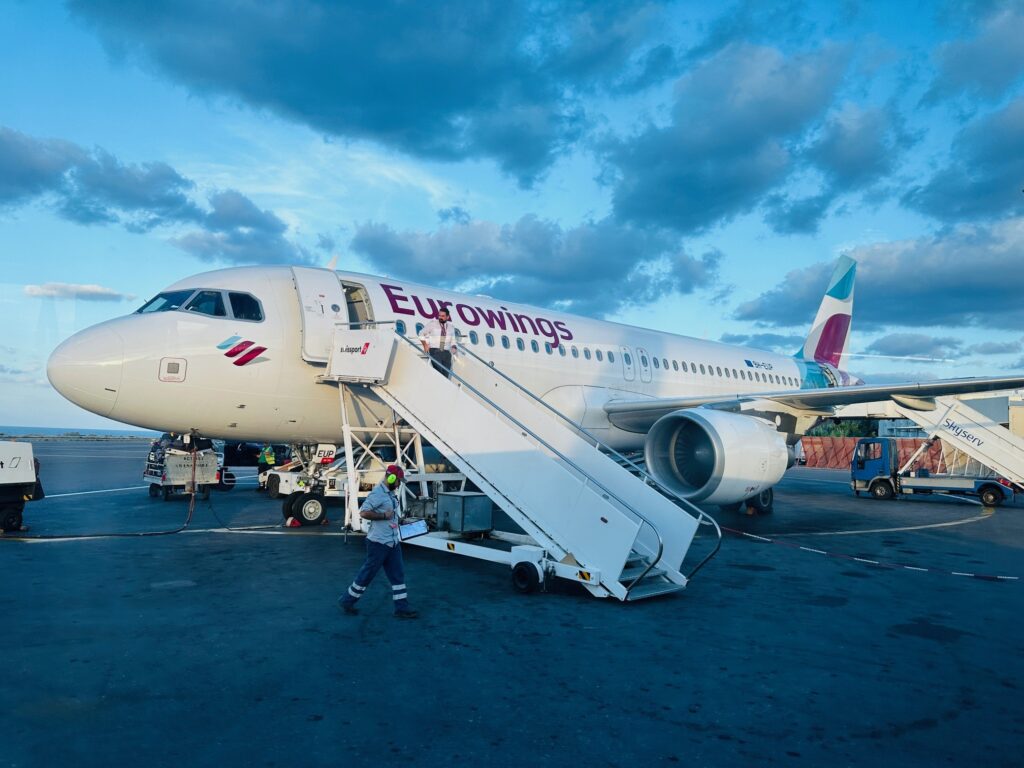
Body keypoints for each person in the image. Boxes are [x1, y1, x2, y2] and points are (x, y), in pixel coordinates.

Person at [338, 464, 418, 618]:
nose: (400, 483)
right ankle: (347, 600)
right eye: (399, 480)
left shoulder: (389, 494)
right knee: (367, 574)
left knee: (398, 575)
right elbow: (364, 512)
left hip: (392, 542)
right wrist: (382, 516)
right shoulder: (378, 494)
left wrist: (402, 521)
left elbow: (391, 514)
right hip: (378, 543)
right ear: (392, 478)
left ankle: (401, 608)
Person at [419, 307, 457, 378]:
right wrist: (425, 345)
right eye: (439, 315)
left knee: (445, 376)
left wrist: (454, 346)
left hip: (447, 354)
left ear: (447, 317)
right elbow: (421, 333)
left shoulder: (451, 327)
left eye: (443, 316)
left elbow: (453, 341)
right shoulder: (432, 324)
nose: (440, 317)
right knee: (439, 373)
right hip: (435, 352)